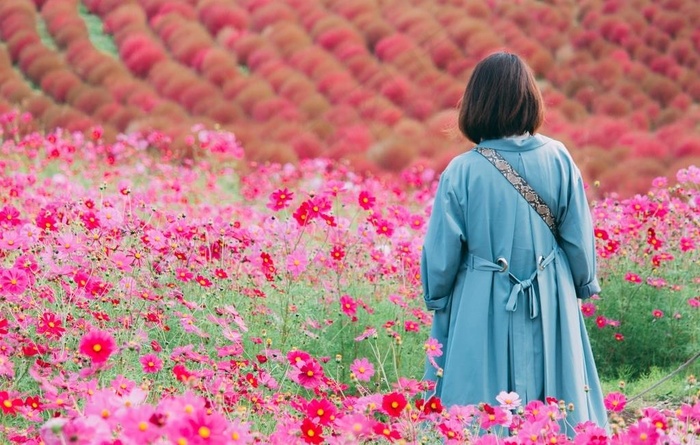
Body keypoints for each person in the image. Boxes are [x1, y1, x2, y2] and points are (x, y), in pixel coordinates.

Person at [420, 52, 608, 429]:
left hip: (482, 296)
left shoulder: (462, 171)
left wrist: (437, 296)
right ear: (530, 98)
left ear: (476, 102)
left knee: (477, 405)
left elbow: (441, 254)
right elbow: (578, 237)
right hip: (550, 292)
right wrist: (583, 283)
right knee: (559, 399)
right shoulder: (559, 158)